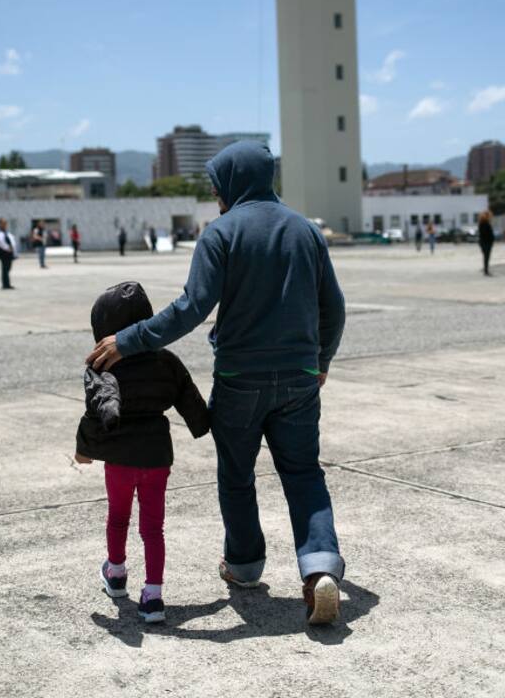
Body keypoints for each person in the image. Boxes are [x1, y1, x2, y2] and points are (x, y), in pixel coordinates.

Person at [86, 141, 347, 626]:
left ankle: (245, 567)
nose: (213, 192)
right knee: (304, 474)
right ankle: (319, 570)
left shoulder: (221, 234)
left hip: (239, 380)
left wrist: (129, 340)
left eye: (216, 183)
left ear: (233, 181)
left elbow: (190, 310)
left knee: (237, 475)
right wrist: (322, 360)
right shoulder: (306, 232)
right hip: (299, 379)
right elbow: (334, 307)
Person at [75, 282, 210, 624]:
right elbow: (191, 401)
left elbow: (97, 409)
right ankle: (153, 596)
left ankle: (116, 574)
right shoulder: (167, 362)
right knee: (153, 527)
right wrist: (203, 424)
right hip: (157, 457)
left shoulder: (104, 365)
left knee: (118, 517)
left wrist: (84, 451)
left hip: (119, 457)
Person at [0, 217, 17, 289]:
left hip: (8, 253)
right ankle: (5, 285)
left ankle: (7, 283)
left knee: (7, 268)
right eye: (3, 223)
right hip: (4, 253)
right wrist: (8, 248)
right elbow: (1, 243)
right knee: (5, 269)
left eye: (5, 223)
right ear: (0, 224)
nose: (5, 225)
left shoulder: (6, 232)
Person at [477, 210, 495, 276]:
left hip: (484, 242)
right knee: (486, 257)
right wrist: (492, 240)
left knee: (486, 256)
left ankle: (486, 270)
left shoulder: (481, 223)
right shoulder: (485, 224)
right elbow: (487, 234)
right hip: (486, 242)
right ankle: (486, 270)